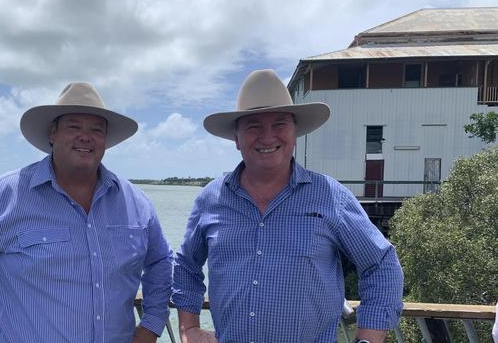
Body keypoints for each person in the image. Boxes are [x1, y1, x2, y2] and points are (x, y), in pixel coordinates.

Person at [0, 82, 173, 343]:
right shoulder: (3, 197)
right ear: (53, 133)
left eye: (96, 129)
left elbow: (161, 261)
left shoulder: (137, 202)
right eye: (74, 127)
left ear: (105, 140)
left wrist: (151, 326)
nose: (86, 137)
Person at [171, 69, 404, 343]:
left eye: (279, 124)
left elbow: (381, 264)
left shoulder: (331, 197)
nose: (267, 137)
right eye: (253, 126)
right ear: (236, 138)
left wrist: (367, 339)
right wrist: (189, 329)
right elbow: (186, 265)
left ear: (295, 134)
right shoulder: (210, 198)